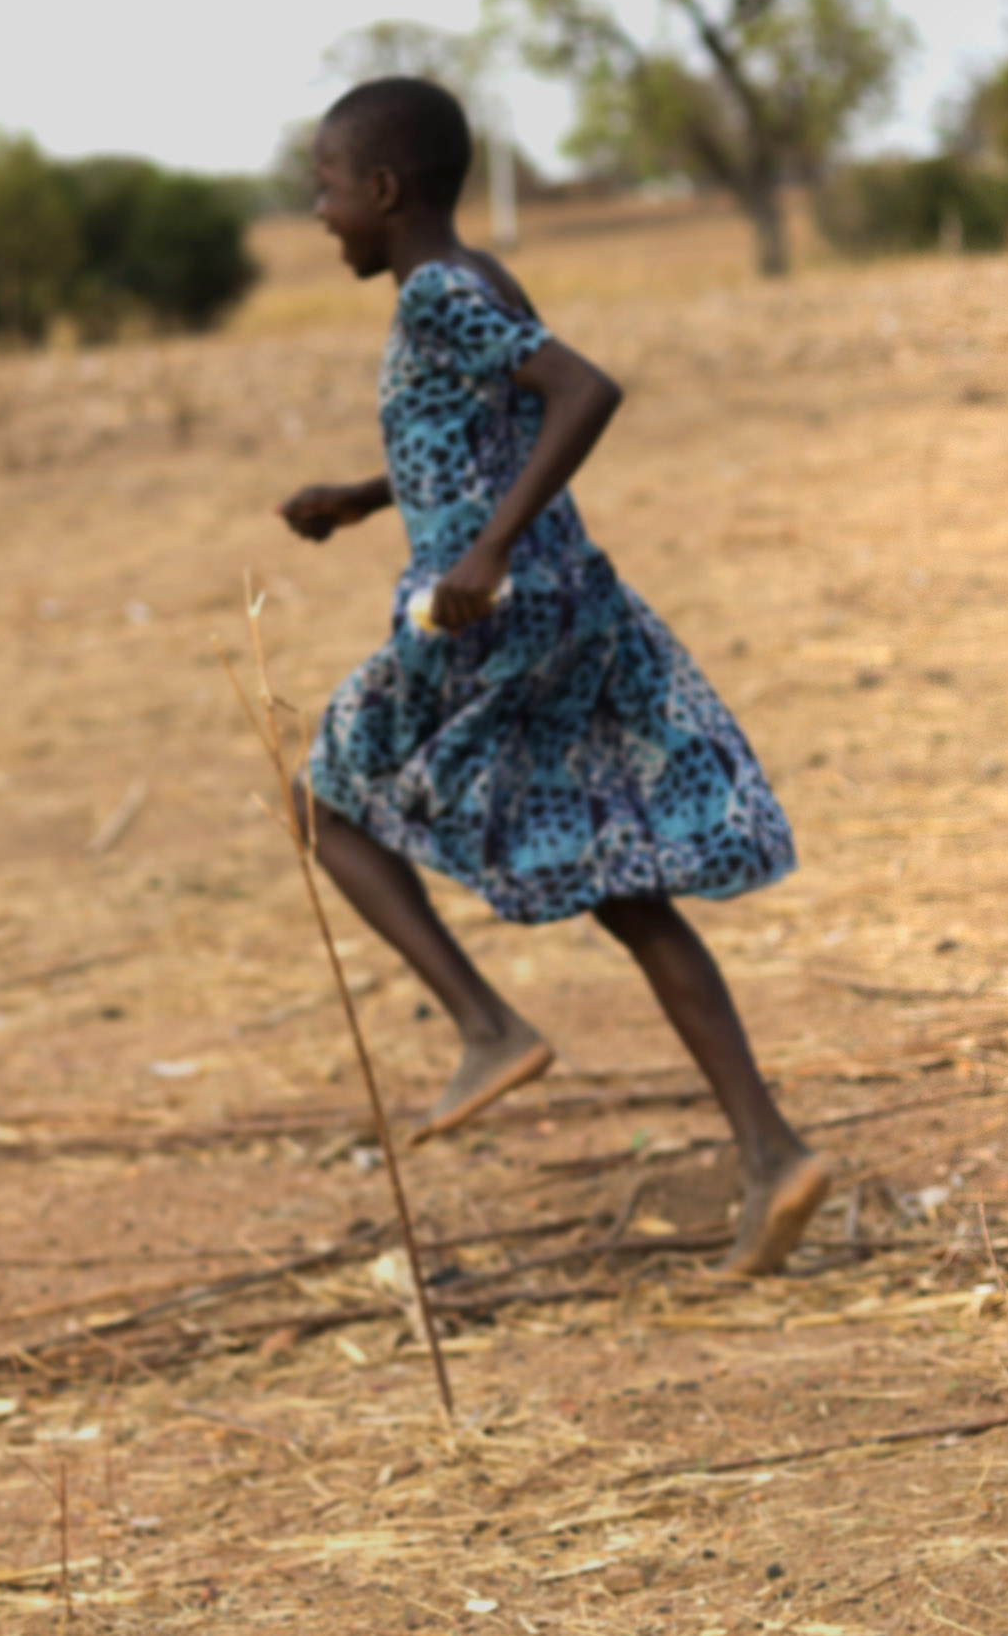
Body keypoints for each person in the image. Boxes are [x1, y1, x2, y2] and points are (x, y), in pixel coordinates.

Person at [279, 78, 830, 1276]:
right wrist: (363, 498)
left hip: (496, 619)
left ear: (382, 189)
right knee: (624, 885)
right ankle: (772, 1154)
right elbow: (488, 435)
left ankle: (486, 1026)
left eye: (325, 188)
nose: (318, 213)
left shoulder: (434, 294)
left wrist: (482, 552)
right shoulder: (477, 278)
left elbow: (585, 392)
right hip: (564, 605)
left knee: (320, 800)